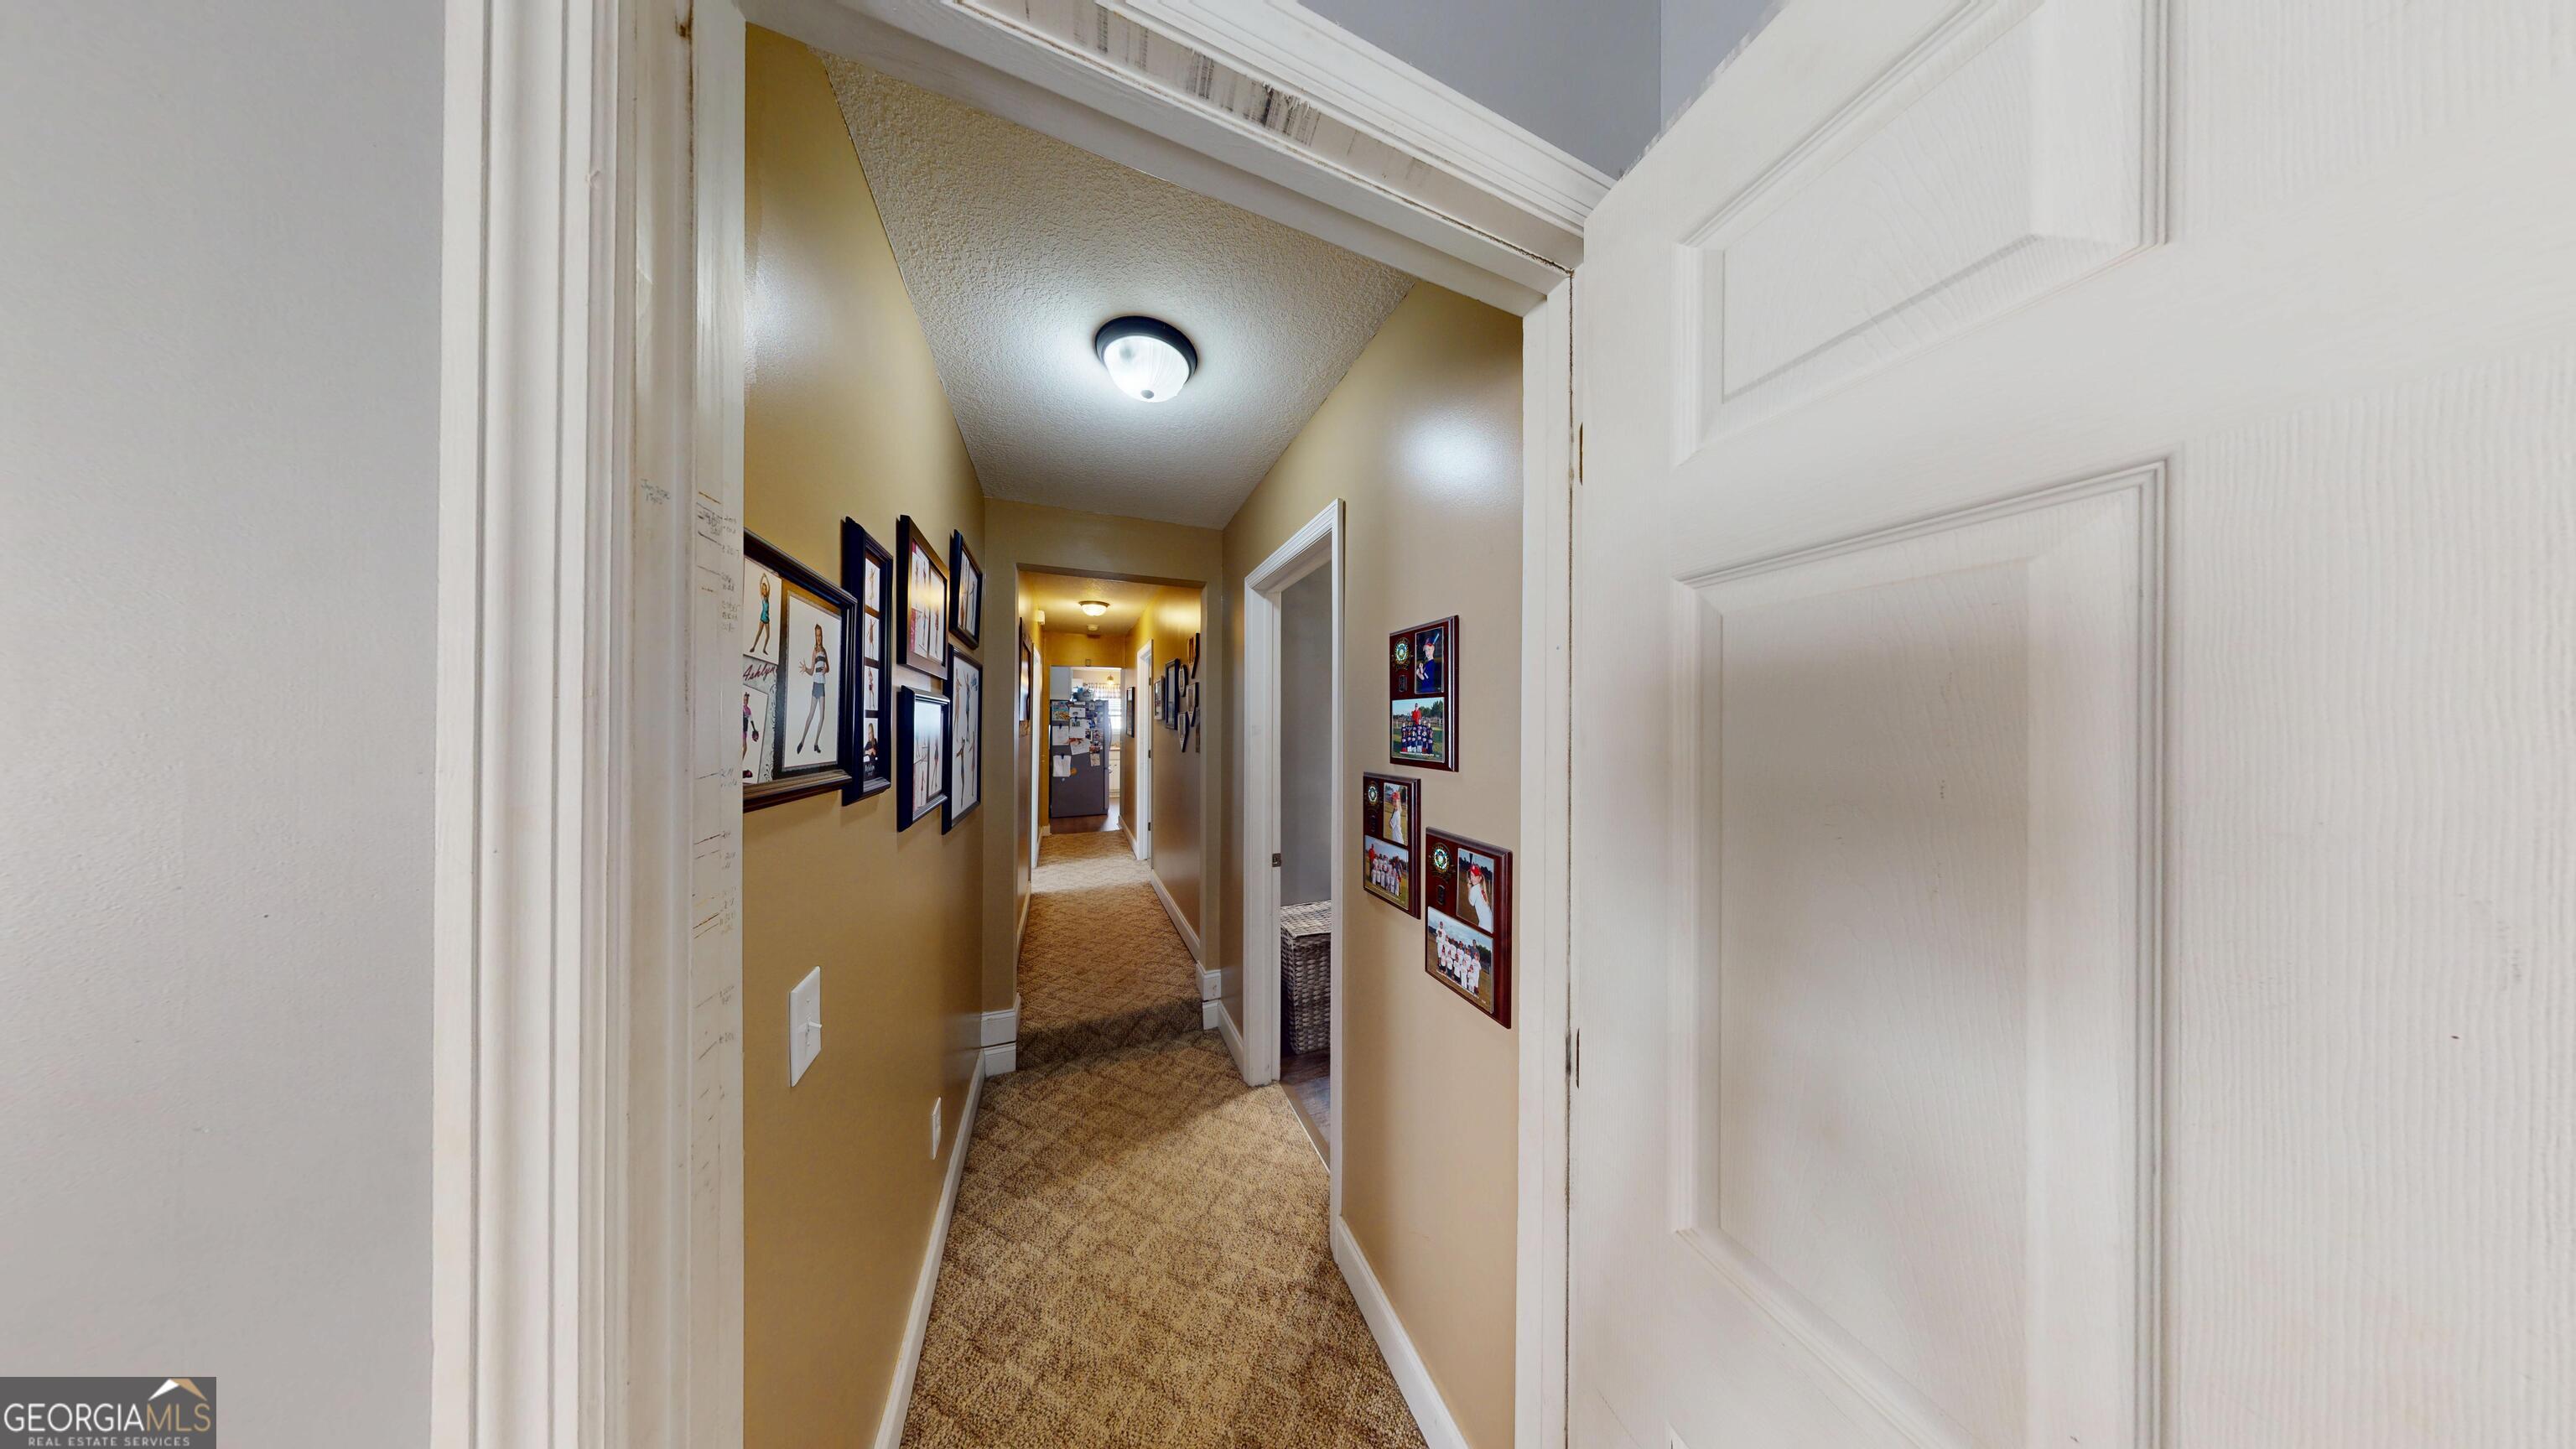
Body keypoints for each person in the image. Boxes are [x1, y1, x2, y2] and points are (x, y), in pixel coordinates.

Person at [796, 624, 831, 752]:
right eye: (817, 636)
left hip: (822, 685)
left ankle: (816, 743)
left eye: (820, 635)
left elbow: (828, 668)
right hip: (816, 683)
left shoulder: (824, 650)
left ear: (822, 636)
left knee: (822, 716)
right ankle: (802, 741)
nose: (819, 638)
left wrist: (826, 669)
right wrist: (805, 670)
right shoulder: (815, 651)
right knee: (811, 714)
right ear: (815, 637)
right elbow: (811, 671)